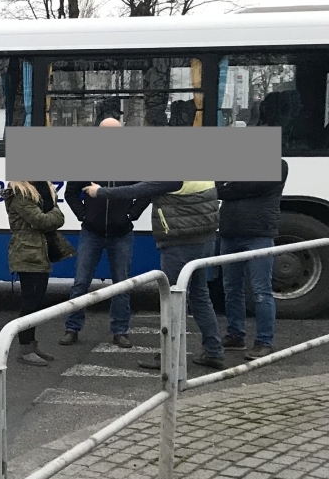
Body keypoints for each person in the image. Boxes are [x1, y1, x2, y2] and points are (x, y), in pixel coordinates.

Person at [86, 179, 224, 370]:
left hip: (179, 241)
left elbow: (137, 190)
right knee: (200, 296)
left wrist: (101, 192)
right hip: (205, 239)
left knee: (172, 300)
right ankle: (213, 351)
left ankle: (167, 358)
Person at [61, 118, 146, 348]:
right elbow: (70, 193)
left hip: (122, 233)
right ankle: (72, 328)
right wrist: (83, 216)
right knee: (80, 283)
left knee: (122, 284)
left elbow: (146, 191)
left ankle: (120, 331)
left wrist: (132, 215)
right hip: (92, 232)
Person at [217, 159, 290, 359]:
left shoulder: (278, 165)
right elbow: (217, 188)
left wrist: (229, 186)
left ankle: (264, 341)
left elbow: (243, 187)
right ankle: (235, 335)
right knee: (231, 288)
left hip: (259, 234)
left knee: (261, 290)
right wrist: (228, 186)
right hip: (229, 234)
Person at [4, 179, 71, 366]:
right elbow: (41, 220)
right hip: (27, 253)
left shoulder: (42, 189)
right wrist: (57, 212)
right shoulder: (19, 193)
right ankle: (24, 350)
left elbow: (50, 220)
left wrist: (53, 215)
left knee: (37, 302)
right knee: (30, 303)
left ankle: (32, 346)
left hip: (39, 253)